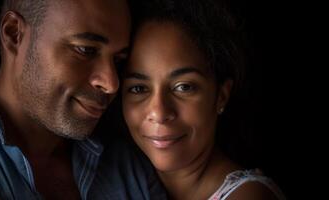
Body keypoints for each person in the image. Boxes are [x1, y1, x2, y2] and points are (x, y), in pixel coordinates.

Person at [0, 0, 166, 199]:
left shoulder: (127, 165)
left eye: (118, 60)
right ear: (14, 34)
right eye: (86, 50)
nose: (112, 83)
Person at [121, 0, 286, 199]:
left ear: (221, 96)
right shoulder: (116, 178)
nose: (159, 112)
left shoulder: (249, 196)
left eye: (184, 87)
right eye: (138, 88)